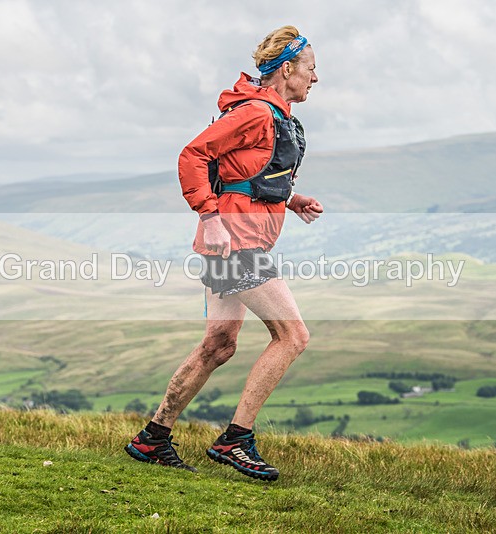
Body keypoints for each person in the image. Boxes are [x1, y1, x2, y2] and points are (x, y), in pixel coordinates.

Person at [126, 26, 323, 480]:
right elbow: (192, 155)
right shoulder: (255, 113)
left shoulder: (274, 116)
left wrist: (290, 200)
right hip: (237, 242)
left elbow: (245, 174)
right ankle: (237, 438)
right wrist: (210, 215)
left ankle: (152, 438)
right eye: (311, 68)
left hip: (236, 238)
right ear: (287, 69)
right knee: (293, 336)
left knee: (218, 345)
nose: (316, 78)